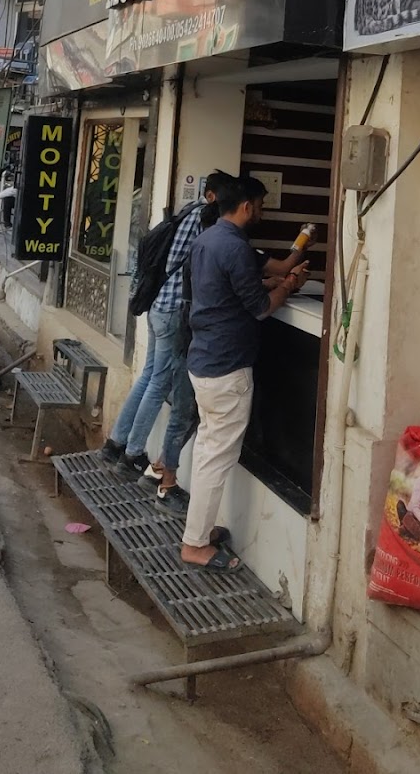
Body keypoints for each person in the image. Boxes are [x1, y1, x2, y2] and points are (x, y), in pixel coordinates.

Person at [180, 175, 301, 571]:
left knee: (207, 451)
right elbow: (260, 308)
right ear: (247, 206)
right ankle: (195, 544)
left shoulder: (208, 239)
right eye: (260, 206)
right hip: (226, 366)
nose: (261, 213)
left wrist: (272, 283)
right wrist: (288, 286)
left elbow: (227, 290)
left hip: (204, 359)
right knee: (216, 457)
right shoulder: (234, 246)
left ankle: (200, 529)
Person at [100, 170, 233, 480]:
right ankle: (132, 453)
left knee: (149, 376)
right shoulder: (205, 219)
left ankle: (115, 443)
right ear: (212, 196)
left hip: (158, 305)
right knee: (159, 382)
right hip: (173, 310)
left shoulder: (186, 212)